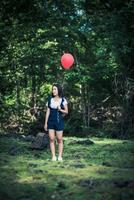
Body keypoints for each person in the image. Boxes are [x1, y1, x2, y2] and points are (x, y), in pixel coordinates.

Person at [44, 83, 68, 161]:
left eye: (55, 89)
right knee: (51, 139)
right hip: (51, 121)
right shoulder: (50, 100)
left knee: (59, 139)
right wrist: (45, 123)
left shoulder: (63, 100)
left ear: (59, 90)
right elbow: (47, 112)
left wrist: (60, 109)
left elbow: (66, 111)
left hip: (59, 122)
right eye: (53, 89)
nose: (53, 91)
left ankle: (60, 156)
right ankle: (53, 156)